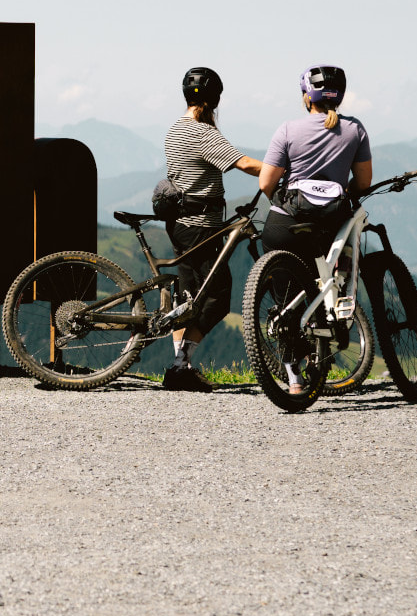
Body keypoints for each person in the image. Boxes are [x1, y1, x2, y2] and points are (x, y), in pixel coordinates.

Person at [255, 66, 373, 395]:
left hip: (285, 224)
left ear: (308, 96)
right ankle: (329, 333)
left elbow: (266, 182)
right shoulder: (354, 129)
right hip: (330, 227)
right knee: (329, 280)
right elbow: (363, 183)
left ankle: (293, 377)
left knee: (286, 299)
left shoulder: (288, 129)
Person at [157, 67, 264, 392]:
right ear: (215, 99)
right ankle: (180, 365)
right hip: (201, 227)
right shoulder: (204, 132)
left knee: (188, 298)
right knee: (217, 298)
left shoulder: (175, 128)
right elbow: (244, 163)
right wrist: (280, 171)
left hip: (179, 224)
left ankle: (181, 367)